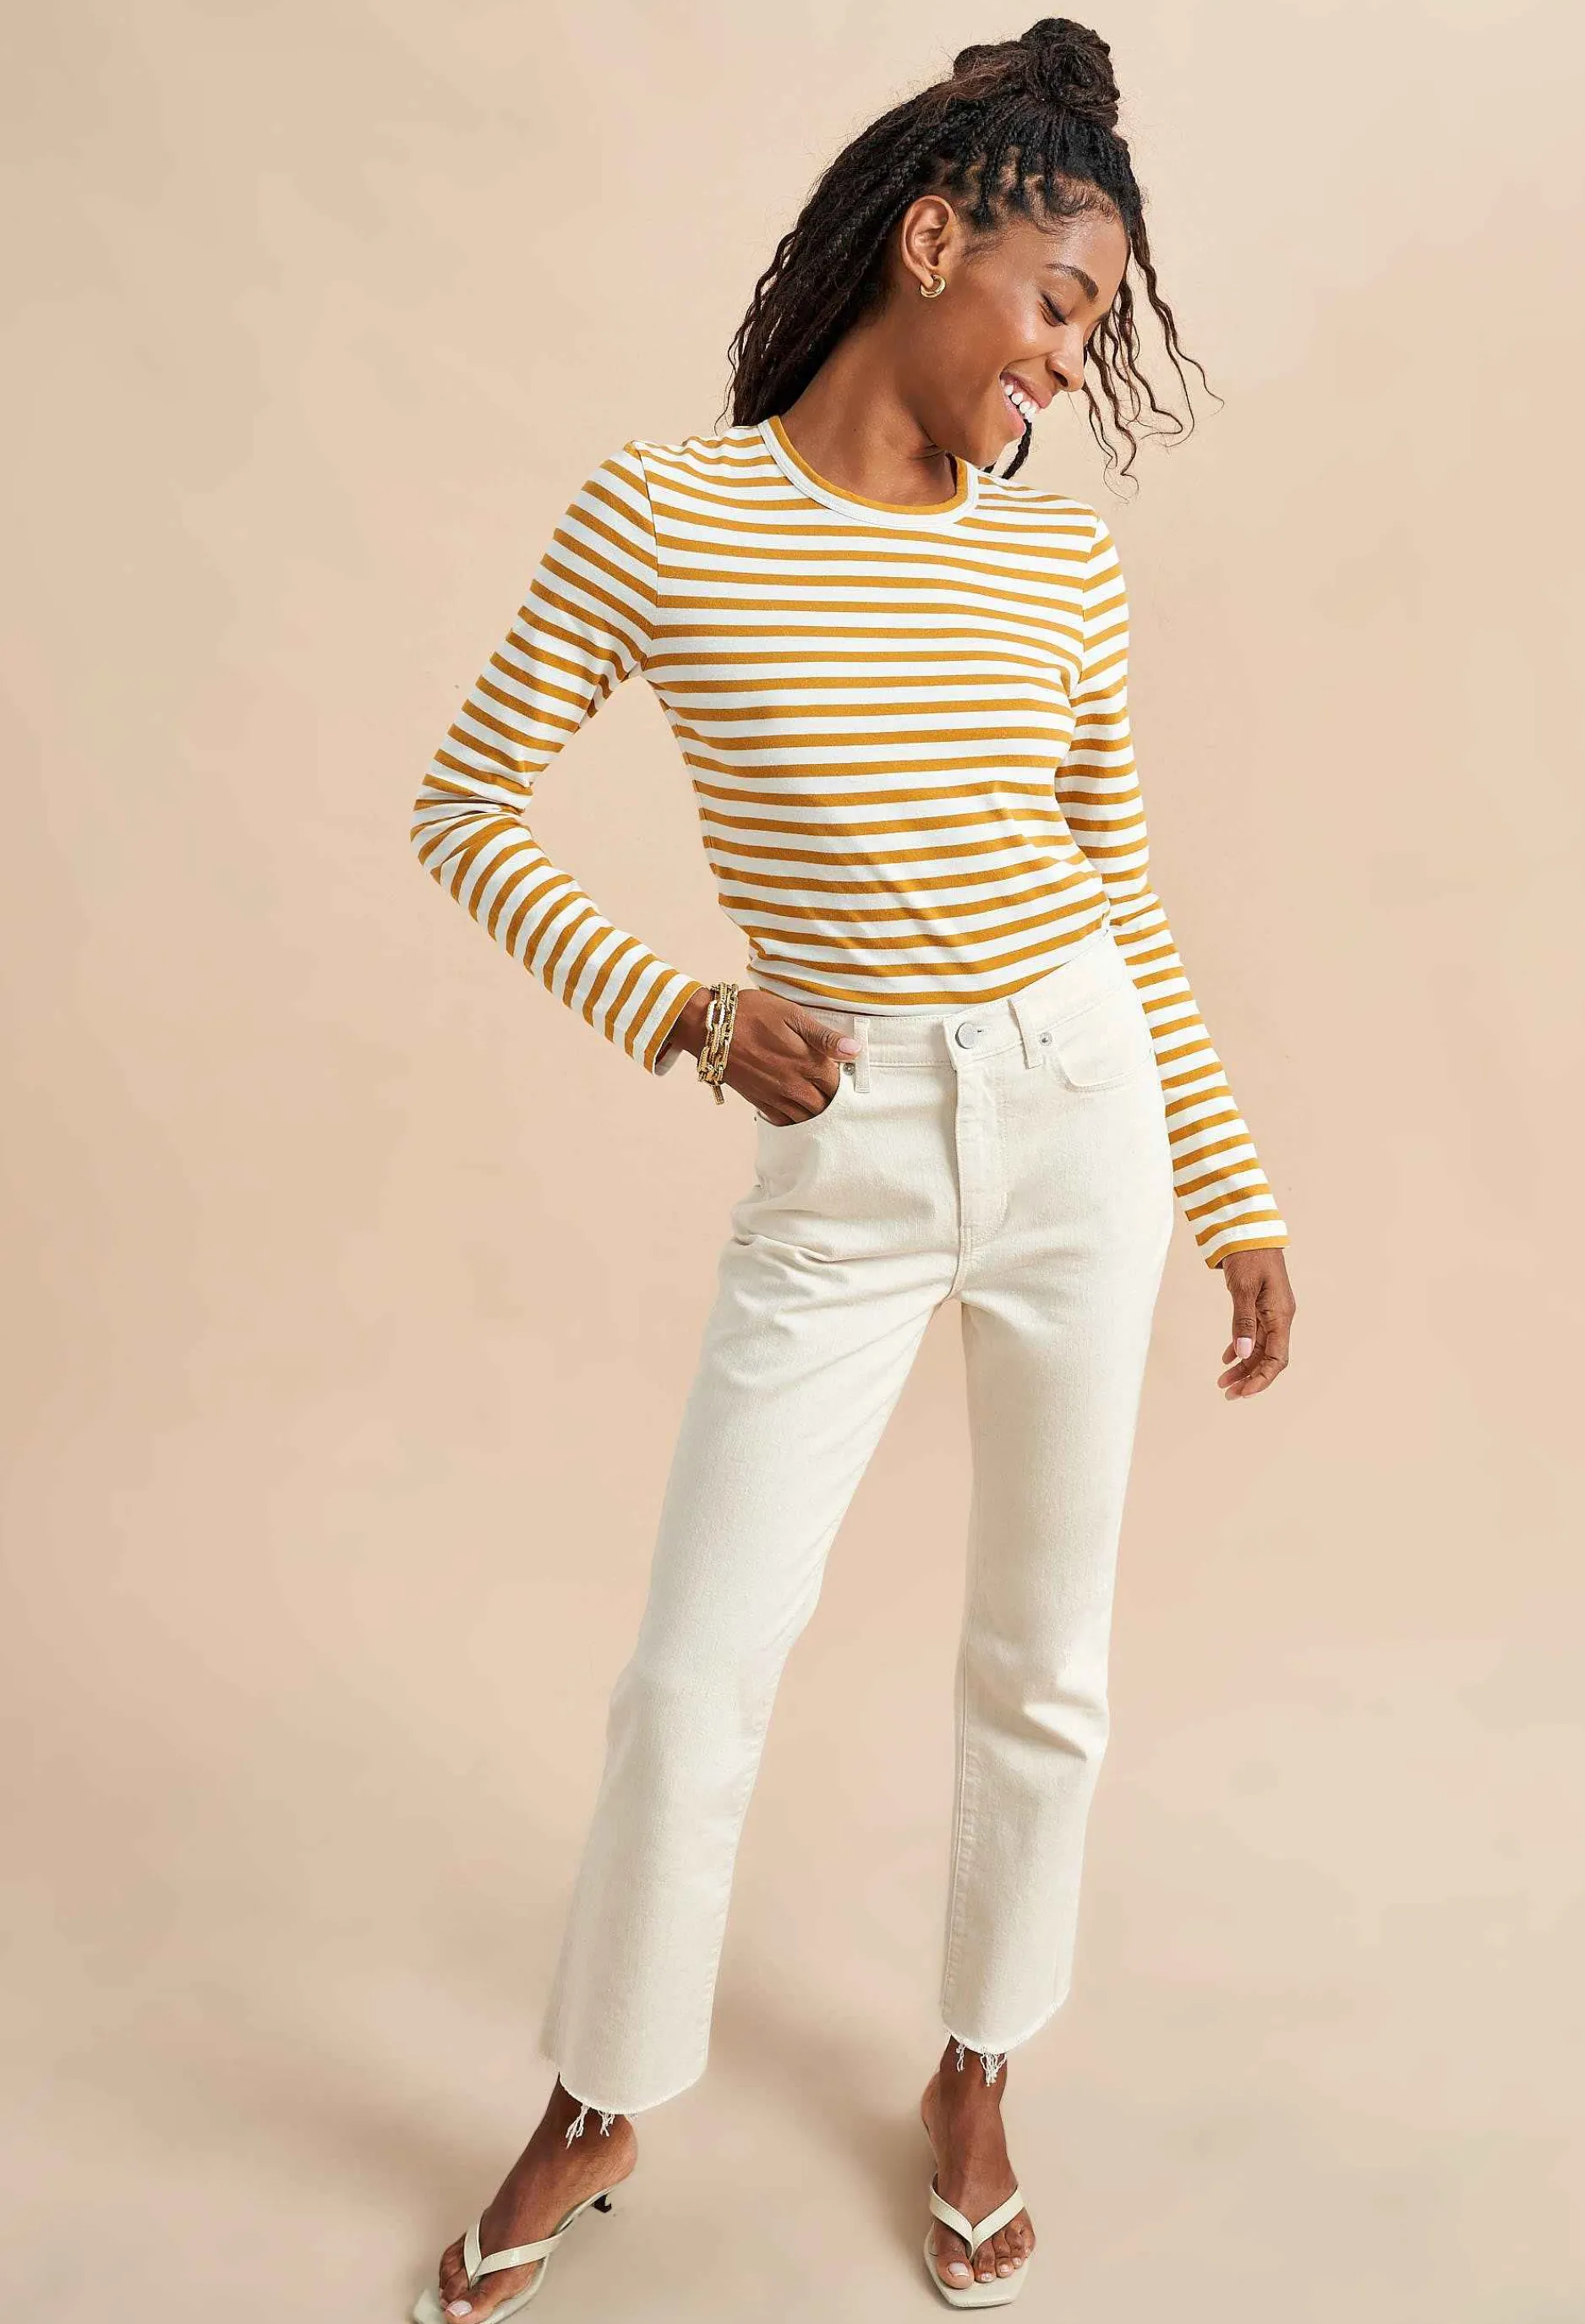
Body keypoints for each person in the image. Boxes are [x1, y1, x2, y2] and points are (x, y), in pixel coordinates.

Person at [405, 19, 1297, 2315]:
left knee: (1044, 1655)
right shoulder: (665, 511)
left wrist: (1231, 1188)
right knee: (693, 1672)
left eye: (1095, 327)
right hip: (852, 1146)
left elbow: (1123, 895)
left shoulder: (1057, 569)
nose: (1071, 362)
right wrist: (690, 1012)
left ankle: (978, 2067)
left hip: (1081, 1116)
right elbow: (462, 808)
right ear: (929, 242)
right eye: (1059, 303)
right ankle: (604, 2091)